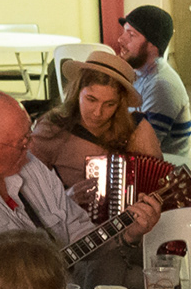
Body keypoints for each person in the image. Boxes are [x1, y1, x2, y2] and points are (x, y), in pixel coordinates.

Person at [0, 89, 159, 289]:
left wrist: (126, 234)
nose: (29, 148)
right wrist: (10, 267)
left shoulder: (30, 165)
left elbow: (78, 231)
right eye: (20, 143)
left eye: (28, 137)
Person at [28, 49, 163, 191]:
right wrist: (67, 198)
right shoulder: (52, 128)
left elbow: (160, 185)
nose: (98, 112)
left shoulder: (137, 128)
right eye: (91, 99)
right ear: (77, 92)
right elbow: (27, 185)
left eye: (110, 104)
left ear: (120, 103)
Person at [114, 4, 191, 156]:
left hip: (167, 168)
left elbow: (142, 148)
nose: (121, 39)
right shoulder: (136, 73)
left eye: (131, 35)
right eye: (124, 32)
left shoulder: (161, 86)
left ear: (153, 46)